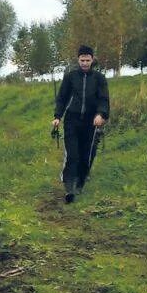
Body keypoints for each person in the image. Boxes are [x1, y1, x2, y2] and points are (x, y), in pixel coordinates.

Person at [52, 45, 110, 204]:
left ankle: (80, 183)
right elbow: (62, 98)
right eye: (82, 60)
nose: (85, 63)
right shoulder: (71, 77)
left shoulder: (99, 79)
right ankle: (69, 188)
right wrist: (58, 116)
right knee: (72, 154)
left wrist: (101, 114)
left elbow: (103, 100)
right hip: (72, 120)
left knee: (87, 155)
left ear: (92, 60)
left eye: (88, 60)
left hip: (91, 122)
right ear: (78, 60)